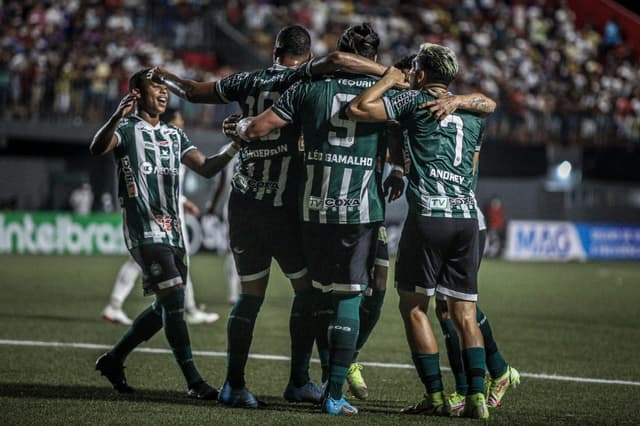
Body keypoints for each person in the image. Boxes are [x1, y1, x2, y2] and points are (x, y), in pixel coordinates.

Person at [151, 25, 391, 408]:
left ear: (275, 50)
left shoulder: (248, 80)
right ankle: (300, 380)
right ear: (307, 54)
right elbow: (337, 66)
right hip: (288, 208)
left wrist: (167, 77)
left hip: (245, 201)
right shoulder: (307, 79)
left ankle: (233, 385)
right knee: (310, 293)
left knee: (248, 297)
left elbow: (195, 91)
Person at [224, 23, 406, 416]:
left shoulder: (306, 88)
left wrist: (238, 126)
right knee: (352, 298)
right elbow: (404, 131)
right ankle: (332, 390)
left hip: (310, 209)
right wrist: (399, 169)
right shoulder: (387, 92)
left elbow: (256, 128)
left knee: (314, 295)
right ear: (372, 60)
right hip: (358, 210)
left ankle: (297, 379)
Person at [346, 43, 494, 419]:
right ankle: (476, 397)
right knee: (464, 312)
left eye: (413, 68)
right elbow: (476, 150)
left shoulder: (412, 102)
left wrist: (389, 79)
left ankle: (435, 395)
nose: (410, 73)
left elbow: (359, 109)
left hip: (429, 216)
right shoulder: (473, 116)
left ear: (422, 74)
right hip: (466, 218)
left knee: (414, 308)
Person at [90, 68, 239, 400]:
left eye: (165, 87)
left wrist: (235, 146)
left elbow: (207, 166)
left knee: (164, 308)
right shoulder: (126, 130)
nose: (163, 91)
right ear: (137, 93)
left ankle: (114, 359)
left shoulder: (175, 136)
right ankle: (194, 381)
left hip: (174, 233)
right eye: (155, 85)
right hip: (143, 230)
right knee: (173, 301)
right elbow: (97, 148)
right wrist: (116, 115)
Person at [393, 54, 519, 415]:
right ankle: (478, 387)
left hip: (446, 214)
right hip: (465, 214)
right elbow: (487, 106)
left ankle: (482, 379)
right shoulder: (470, 115)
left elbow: (367, 108)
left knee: (442, 309)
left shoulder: (422, 105)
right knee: (453, 309)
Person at [101, 107, 220, 326]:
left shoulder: (173, 142)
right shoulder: (159, 142)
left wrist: (183, 201)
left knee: (149, 261)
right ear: (170, 122)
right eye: (179, 118)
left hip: (169, 209)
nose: (183, 122)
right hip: (163, 213)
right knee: (175, 260)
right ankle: (187, 310)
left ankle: (116, 305)